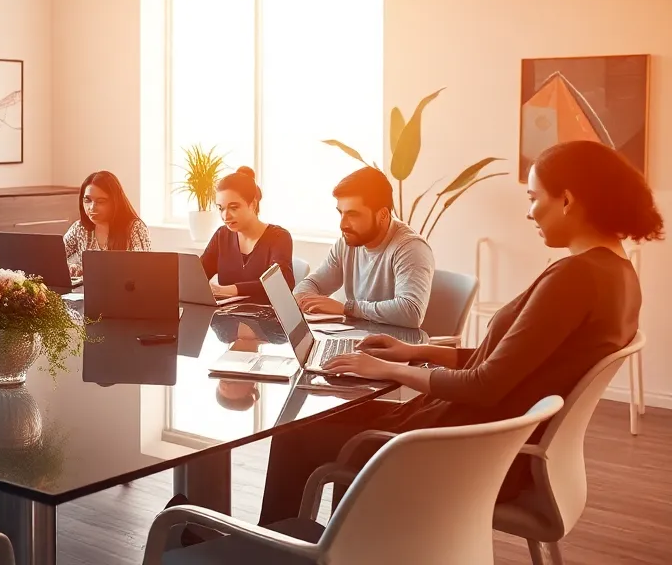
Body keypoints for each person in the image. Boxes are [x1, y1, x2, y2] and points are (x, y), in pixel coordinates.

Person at [253, 140, 660, 525]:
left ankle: (282, 552)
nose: (529, 212)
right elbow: (508, 363)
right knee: (326, 420)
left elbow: (484, 385)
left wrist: (388, 370)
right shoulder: (618, 275)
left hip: (460, 450)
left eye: (534, 198)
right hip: (487, 441)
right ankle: (338, 545)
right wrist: (415, 353)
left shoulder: (576, 279)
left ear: (567, 201)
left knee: (294, 434)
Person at [292, 166, 434, 328]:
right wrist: (303, 298)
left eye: (353, 215)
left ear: (383, 215)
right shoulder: (347, 243)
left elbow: (411, 312)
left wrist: (347, 308)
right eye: (341, 213)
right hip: (358, 337)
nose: (343, 225)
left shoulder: (410, 248)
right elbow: (314, 284)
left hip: (392, 342)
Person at [199, 167, 295, 300]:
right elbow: (198, 275)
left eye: (234, 208)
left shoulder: (279, 237)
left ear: (253, 204)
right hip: (226, 313)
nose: (225, 216)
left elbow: (281, 284)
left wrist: (230, 290)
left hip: (264, 313)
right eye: (221, 208)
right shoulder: (222, 235)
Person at [64, 170, 152, 276]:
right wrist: (73, 266)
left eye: (101, 202)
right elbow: (54, 258)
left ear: (115, 202)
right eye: (87, 200)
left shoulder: (135, 228)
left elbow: (143, 270)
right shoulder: (79, 228)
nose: (92, 207)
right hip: (87, 286)